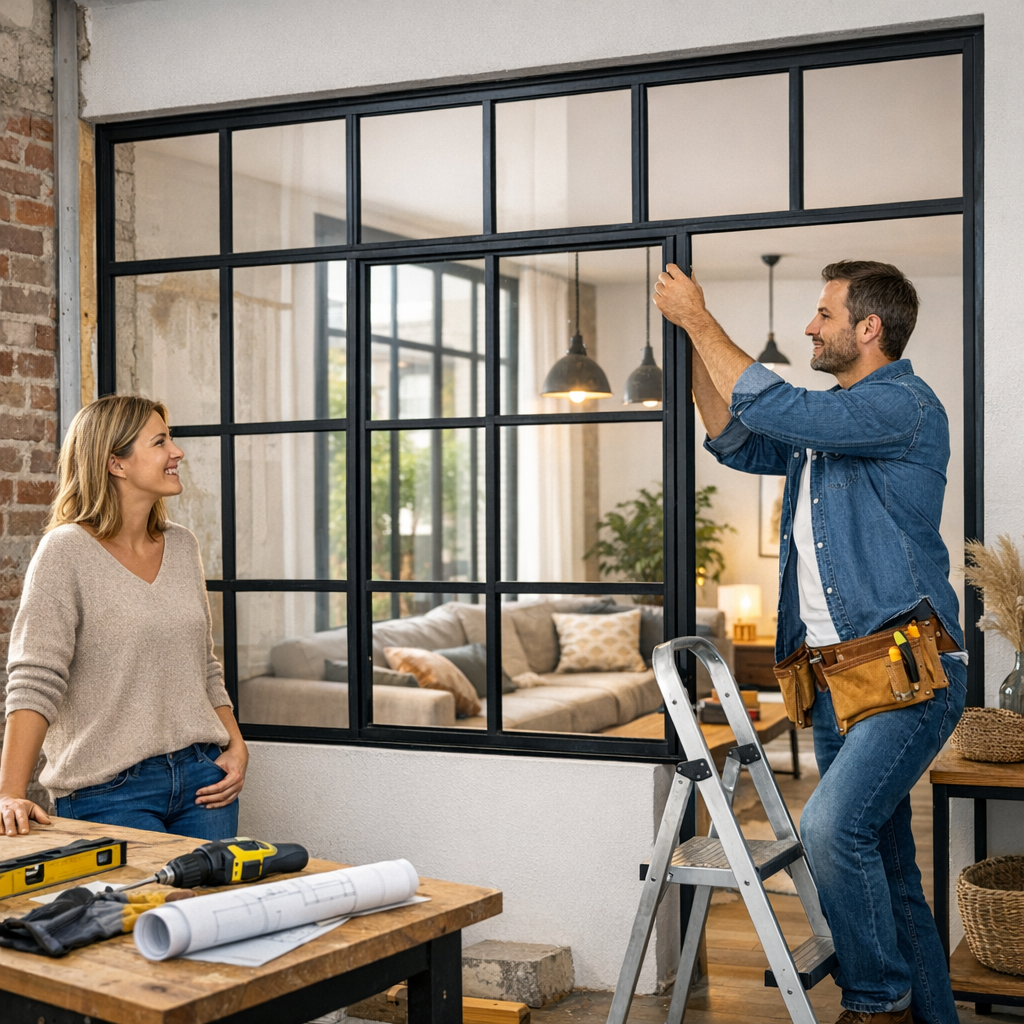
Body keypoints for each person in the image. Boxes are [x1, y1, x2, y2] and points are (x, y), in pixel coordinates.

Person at [654, 260, 966, 1024]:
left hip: (905, 672)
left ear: (870, 328)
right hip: (834, 682)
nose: (808, 327)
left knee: (829, 826)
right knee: (891, 875)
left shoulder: (900, 406)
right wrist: (695, 347)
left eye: (823, 315)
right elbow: (733, 437)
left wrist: (701, 320)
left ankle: (874, 1002)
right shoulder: (827, 429)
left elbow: (779, 405)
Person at [0, 395, 248, 840]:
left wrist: (235, 744)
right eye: (160, 442)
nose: (177, 452)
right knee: (133, 911)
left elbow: (203, 663)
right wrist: (9, 793)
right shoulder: (66, 552)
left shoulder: (181, 546)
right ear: (116, 463)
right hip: (108, 792)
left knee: (215, 910)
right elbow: (36, 678)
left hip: (202, 782)